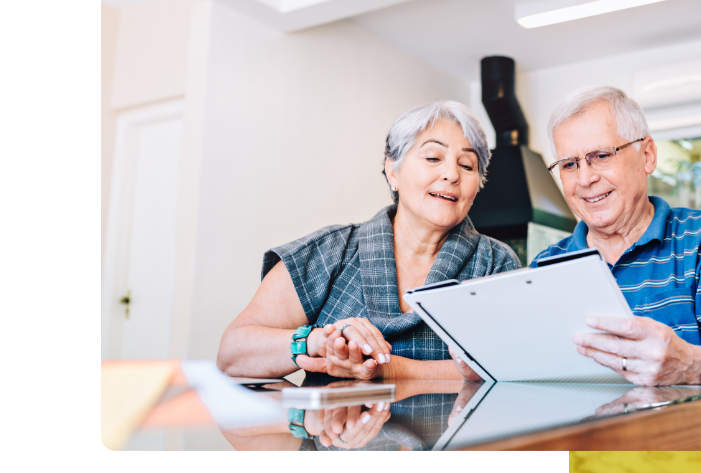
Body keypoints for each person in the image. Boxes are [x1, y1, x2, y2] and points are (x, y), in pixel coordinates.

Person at [530, 86, 701, 451]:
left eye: (600, 155)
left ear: (647, 155)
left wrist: (692, 368)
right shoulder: (544, 267)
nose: (584, 178)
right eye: (569, 164)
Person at [217, 100, 520, 384]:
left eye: (467, 166)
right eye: (433, 157)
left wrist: (389, 369)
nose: (451, 174)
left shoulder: (496, 263)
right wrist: (318, 341)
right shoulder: (331, 251)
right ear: (393, 171)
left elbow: (515, 366)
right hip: (337, 436)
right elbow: (232, 353)